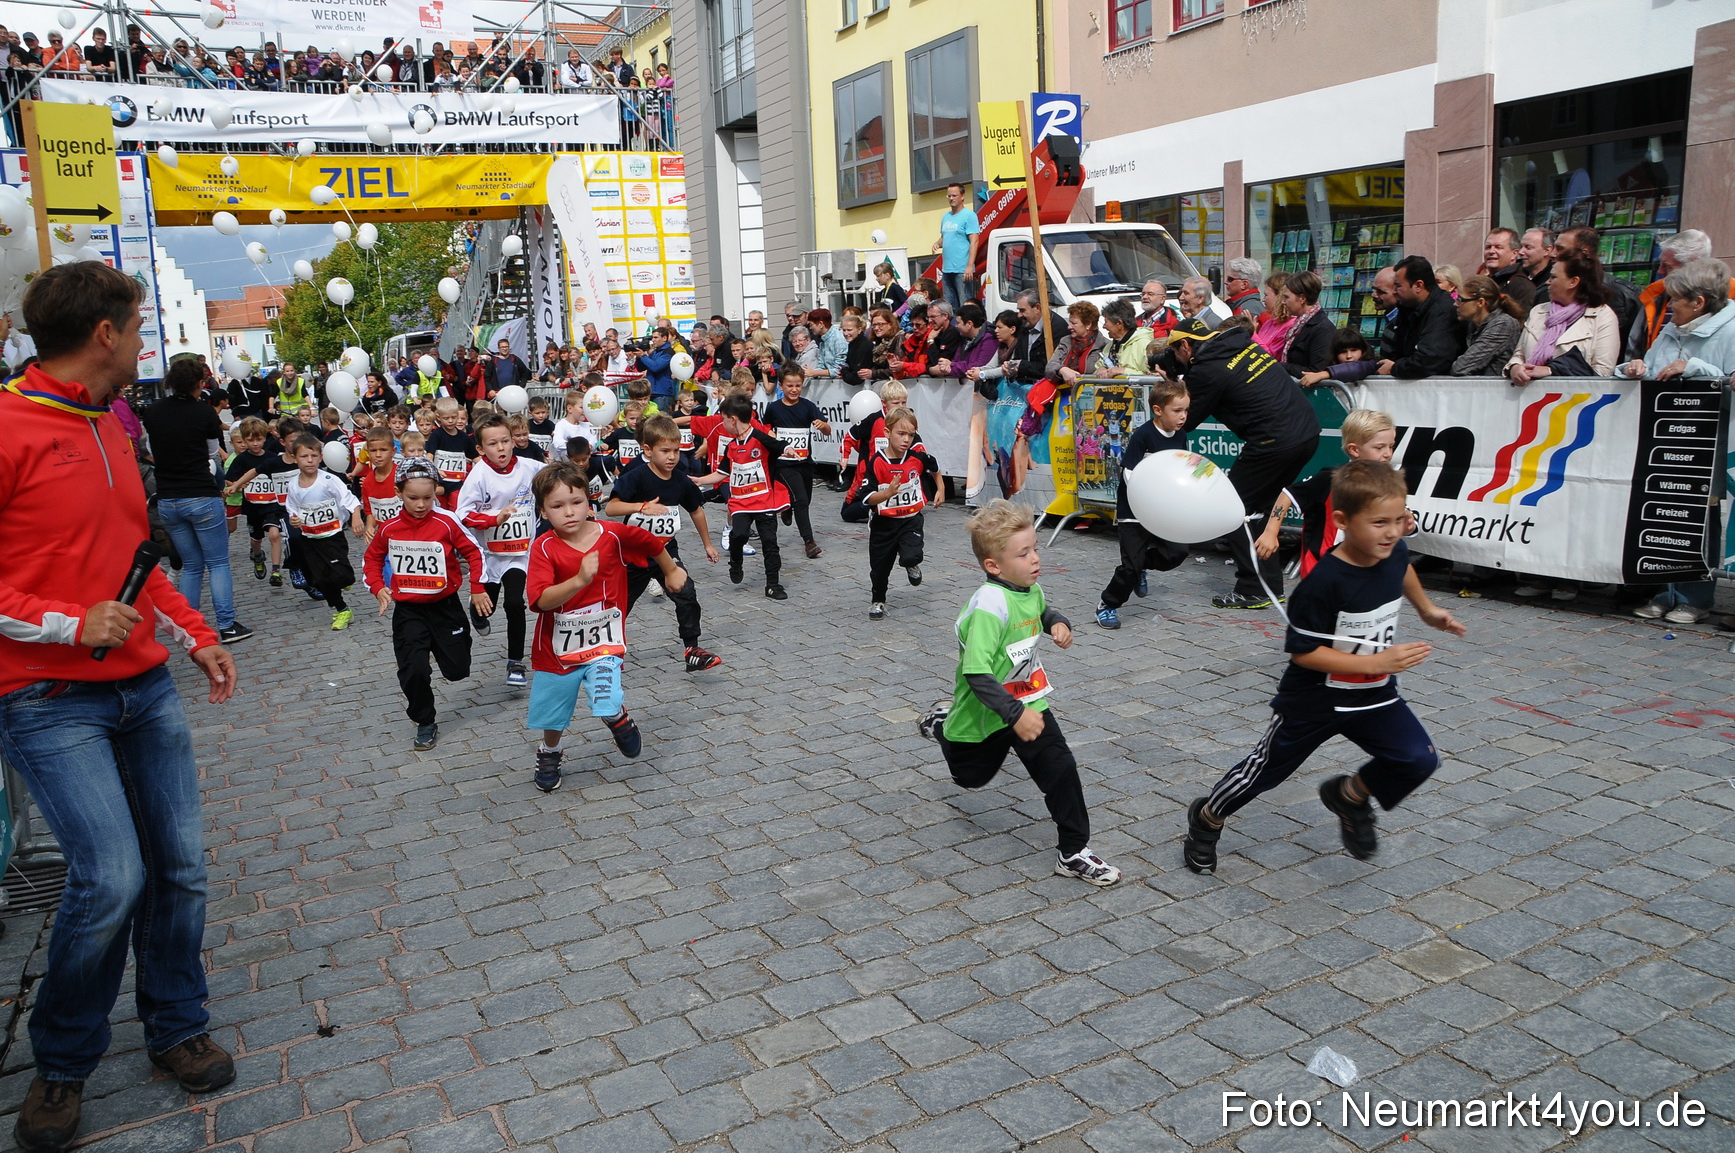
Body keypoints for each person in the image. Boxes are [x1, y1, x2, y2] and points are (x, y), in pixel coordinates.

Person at [0, 264, 239, 1153]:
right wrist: (65, 623)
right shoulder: (8, 424)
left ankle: (177, 1025)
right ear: (105, 333)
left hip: (141, 685)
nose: (145, 342)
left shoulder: (110, 422)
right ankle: (61, 1062)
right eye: (137, 327)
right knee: (111, 878)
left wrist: (192, 629)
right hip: (46, 696)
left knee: (179, 868)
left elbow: (131, 554)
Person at [1182, 461, 1465, 874]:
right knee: (1263, 774)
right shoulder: (1323, 583)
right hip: (1314, 700)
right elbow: (1304, 652)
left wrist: (1427, 609)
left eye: (1399, 520)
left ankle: (1350, 795)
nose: (1391, 532)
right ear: (1342, 521)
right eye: (1379, 522)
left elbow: (1403, 567)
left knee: (1417, 758)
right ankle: (1207, 817)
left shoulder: (1394, 549)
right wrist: (1378, 659)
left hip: (1374, 694)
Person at [915, 500, 1121, 886]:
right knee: (970, 779)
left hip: (1027, 701)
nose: (1035, 559)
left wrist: (1057, 622)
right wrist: (1013, 715)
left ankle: (1073, 851)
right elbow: (976, 672)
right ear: (993, 565)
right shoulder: (989, 607)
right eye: (1023, 553)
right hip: (984, 712)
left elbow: (1040, 608)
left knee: (1060, 768)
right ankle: (943, 724)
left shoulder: (1029, 587)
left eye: (1035, 548)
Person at [525, 460, 685, 792]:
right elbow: (540, 600)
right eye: (557, 506)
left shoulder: (610, 534)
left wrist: (671, 571)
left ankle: (616, 717)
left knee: (606, 699)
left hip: (604, 641)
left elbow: (651, 542)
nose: (568, 512)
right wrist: (579, 579)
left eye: (576, 502)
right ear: (543, 511)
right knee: (553, 714)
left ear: (589, 502)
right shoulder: (543, 548)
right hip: (557, 651)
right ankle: (550, 751)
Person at [1168, 318, 1321, 609]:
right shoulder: (1243, 346)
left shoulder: (1208, 369)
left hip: (1274, 441)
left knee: (1233, 510)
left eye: (1175, 353)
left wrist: (1172, 386)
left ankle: (1255, 587)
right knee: (1258, 510)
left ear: (1186, 346)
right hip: (1306, 432)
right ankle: (1267, 586)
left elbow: (1185, 420)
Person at [1619, 259, 1735, 625]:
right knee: (1664, 509)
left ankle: (1694, 596)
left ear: (1699, 302)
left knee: (1702, 515)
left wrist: (1697, 369)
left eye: (1676, 300)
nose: (1669, 307)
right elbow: (1654, 367)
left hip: (1711, 439)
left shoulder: (1731, 330)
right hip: (1665, 437)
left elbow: (1731, 380)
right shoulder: (1673, 329)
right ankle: (1663, 591)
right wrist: (1632, 368)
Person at [363, 461, 490, 750]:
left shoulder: (446, 522)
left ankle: (461, 632)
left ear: (435, 492)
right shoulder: (389, 529)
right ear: (399, 494)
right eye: (413, 498)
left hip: (446, 606)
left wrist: (478, 589)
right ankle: (425, 721)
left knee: (457, 670)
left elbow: (475, 553)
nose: (421, 504)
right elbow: (370, 560)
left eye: (427, 497)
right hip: (409, 610)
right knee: (413, 669)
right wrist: (379, 587)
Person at [140, 359, 251, 644]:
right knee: (217, 563)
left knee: (190, 565)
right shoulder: (203, 413)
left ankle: (189, 626)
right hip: (200, 494)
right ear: (199, 384)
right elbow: (212, 453)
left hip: (168, 498)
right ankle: (226, 625)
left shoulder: (153, 412)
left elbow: (150, 450)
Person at [604, 415, 723, 672]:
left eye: (676, 451)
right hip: (632, 554)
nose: (672, 457)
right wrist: (641, 507)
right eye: (665, 451)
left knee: (686, 593)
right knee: (619, 606)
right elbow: (612, 508)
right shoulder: (636, 476)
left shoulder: (680, 479)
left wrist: (707, 544)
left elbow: (696, 510)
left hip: (665, 551)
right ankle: (609, 652)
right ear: (648, 450)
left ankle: (692, 649)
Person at [1254, 409, 1397, 579]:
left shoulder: (1389, 482)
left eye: (1391, 446)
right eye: (1380, 447)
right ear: (1354, 450)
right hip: (1323, 568)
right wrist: (1271, 532)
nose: (1388, 454)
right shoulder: (1332, 478)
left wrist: (1408, 524)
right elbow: (1288, 495)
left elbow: (1402, 520)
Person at [1094, 379, 1191, 629]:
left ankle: (1142, 566)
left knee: (1178, 552)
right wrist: (1146, 496)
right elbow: (1129, 472)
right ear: (1158, 410)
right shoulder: (1143, 436)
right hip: (1134, 510)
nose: (1183, 417)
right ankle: (1108, 605)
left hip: (1163, 508)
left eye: (1186, 411)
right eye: (1177, 411)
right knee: (1129, 567)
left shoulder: (1181, 436)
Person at [456, 414, 543, 686]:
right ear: (481, 449)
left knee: (516, 602)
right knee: (487, 609)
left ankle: (515, 663)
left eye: (505, 441)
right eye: (493, 444)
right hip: (488, 555)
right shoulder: (479, 476)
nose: (502, 448)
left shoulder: (530, 467)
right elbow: (463, 515)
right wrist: (494, 520)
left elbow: (556, 478)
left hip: (518, 553)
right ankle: (476, 610)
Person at [864, 407, 942, 620]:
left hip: (910, 520)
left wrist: (941, 489)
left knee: (910, 555)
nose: (906, 439)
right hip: (884, 523)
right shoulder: (877, 462)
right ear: (887, 433)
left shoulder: (917, 458)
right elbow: (867, 497)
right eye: (901, 434)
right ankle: (878, 601)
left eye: (911, 434)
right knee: (879, 568)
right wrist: (887, 493)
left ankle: (911, 563)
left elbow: (934, 468)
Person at [283, 432, 364, 629]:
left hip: (333, 535)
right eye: (304, 456)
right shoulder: (293, 485)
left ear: (321, 457)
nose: (309, 461)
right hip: (310, 537)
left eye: (314, 456)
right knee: (320, 579)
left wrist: (355, 518)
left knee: (342, 576)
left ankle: (344, 579)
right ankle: (342, 610)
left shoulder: (328, 480)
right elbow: (292, 507)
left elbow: (350, 499)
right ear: (295, 458)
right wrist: (294, 519)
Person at [716, 394, 790, 598]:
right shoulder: (731, 446)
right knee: (739, 535)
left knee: (770, 542)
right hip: (740, 502)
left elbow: (778, 445)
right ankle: (736, 560)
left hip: (764, 502)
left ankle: (773, 584)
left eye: (723, 419)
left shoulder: (759, 437)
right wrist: (697, 480)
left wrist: (788, 449)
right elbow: (722, 473)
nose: (723, 424)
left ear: (733, 419)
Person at [1505, 254, 1620, 383]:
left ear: (1573, 282)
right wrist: (1515, 369)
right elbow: (1519, 355)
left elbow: (1603, 372)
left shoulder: (1602, 316)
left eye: (1553, 277)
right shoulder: (1538, 311)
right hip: (1528, 396)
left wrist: (1551, 371)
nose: (1547, 282)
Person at [762, 364, 832, 559]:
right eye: (789, 385)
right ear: (781, 386)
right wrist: (770, 433)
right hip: (783, 463)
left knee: (805, 500)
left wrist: (822, 425)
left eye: (798, 385)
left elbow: (828, 430)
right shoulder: (774, 408)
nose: (794, 390)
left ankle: (787, 506)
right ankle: (809, 542)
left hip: (804, 462)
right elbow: (764, 429)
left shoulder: (808, 406)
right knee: (801, 499)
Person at [1634, 230, 1730, 354]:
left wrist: (1692, 367)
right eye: (1660, 264)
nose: (1660, 271)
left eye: (1668, 266)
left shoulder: (1729, 297)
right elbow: (1637, 348)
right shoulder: (1655, 294)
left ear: (1693, 268)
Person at [223, 416, 289, 585]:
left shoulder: (272, 456)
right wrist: (238, 485)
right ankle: (257, 556)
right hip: (253, 506)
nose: (255, 444)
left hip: (272, 505)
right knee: (256, 539)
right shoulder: (241, 459)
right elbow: (230, 479)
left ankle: (276, 571)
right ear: (244, 440)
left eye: (259, 439)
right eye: (250, 440)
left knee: (275, 534)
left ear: (265, 438)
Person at [1555, 227, 1640, 359]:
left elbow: (1636, 345)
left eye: (1560, 249)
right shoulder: (1549, 290)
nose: (1553, 254)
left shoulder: (1623, 294)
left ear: (1584, 253)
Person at [1375, 255, 1464, 378]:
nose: (1394, 291)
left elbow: (1430, 360)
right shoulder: (1407, 308)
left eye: (1398, 285)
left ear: (1418, 286)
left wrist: (1395, 368)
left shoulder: (1443, 312)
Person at [1450, 275, 1525, 376]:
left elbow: (1461, 367)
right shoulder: (1473, 324)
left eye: (1460, 300)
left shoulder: (1503, 324)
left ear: (1480, 302)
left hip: (1495, 389)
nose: (1455, 304)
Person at [933, 182, 982, 308]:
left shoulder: (969, 216)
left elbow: (974, 241)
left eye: (954, 195)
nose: (951, 199)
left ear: (962, 196)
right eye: (949, 196)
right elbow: (945, 236)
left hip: (962, 269)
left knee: (965, 305)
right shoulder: (946, 217)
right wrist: (937, 243)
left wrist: (970, 266)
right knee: (949, 306)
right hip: (947, 269)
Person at [1277, 270, 1334, 373]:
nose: (1283, 302)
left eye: (1286, 297)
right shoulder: (1298, 325)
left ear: (1302, 298)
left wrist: (1281, 367)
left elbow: (1317, 371)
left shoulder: (1322, 329)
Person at [426, 396, 477, 508]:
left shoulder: (464, 437)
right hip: (439, 482)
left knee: (457, 511)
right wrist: (435, 470)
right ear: (438, 417)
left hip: (457, 483)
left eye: (453, 417)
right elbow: (429, 456)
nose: (450, 421)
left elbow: (476, 457)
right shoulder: (436, 435)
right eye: (446, 418)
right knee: (439, 511)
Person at [1480, 228, 1536, 313]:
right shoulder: (1484, 283)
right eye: (1488, 247)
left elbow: (1520, 322)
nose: (1491, 251)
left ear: (1514, 254)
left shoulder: (1521, 286)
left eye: (1498, 247)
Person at [1251, 272, 1296, 358]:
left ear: (1279, 296)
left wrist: (1253, 334)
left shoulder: (1290, 325)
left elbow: (1270, 357)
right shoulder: (1269, 323)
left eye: (1266, 295)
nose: (1263, 300)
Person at [806, 308, 847, 377]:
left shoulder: (838, 339)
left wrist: (814, 373)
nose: (810, 328)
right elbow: (821, 364)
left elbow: (839, 369)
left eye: (811, 324)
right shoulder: (823, 340)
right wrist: (813, 373)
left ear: (821, 324)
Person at [1518, 228, 1554, 299]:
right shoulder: (1516, 276)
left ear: (1547, 250)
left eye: (1528, 247)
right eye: (1521, 246)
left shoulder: (1553, 280)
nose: (1521, 252)